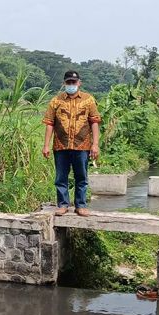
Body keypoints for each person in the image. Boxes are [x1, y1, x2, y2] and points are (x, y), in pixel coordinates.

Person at [42, 70, 101, 217]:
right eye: (68, 82)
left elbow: (94, 122)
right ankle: (63, 205)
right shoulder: (56, 101)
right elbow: (49, 123)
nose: (71, 85)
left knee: (81, 176)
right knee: (61, 177)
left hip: (82, 146)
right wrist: (46, 145)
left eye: (73, 82)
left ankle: (80, 205)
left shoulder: (88, 100)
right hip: (60, 146)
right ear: (64, 84)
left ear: (79, 83)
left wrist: (95, 144)